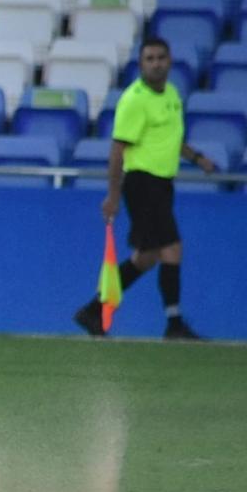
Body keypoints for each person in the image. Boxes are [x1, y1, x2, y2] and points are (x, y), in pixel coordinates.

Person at [73, 36, 216, 340]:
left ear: (170, 61)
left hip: (163, 183)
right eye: (149, 58)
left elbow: (171, 138)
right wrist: (113, 196)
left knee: (146, 257)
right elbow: (117, 150)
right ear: (140, 64)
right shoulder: (134, 99)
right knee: (172, 248)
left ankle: (93, 310)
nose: (155, 63)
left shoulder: (172, 95)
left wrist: (197, 157)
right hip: (142, 182)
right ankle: (174, 323)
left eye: (160, 57)